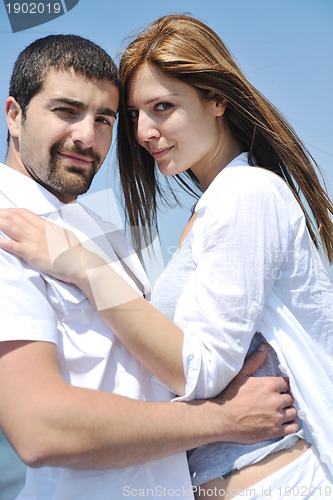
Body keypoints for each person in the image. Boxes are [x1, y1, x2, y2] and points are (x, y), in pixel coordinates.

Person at [0, 33, 298, 500]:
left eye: (104, 119)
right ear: (14, 116)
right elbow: (39, 429)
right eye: (65, 111)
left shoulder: (101, 227)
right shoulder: (5, 228)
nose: (86, 135)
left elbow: (162, 368)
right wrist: (220, 419)